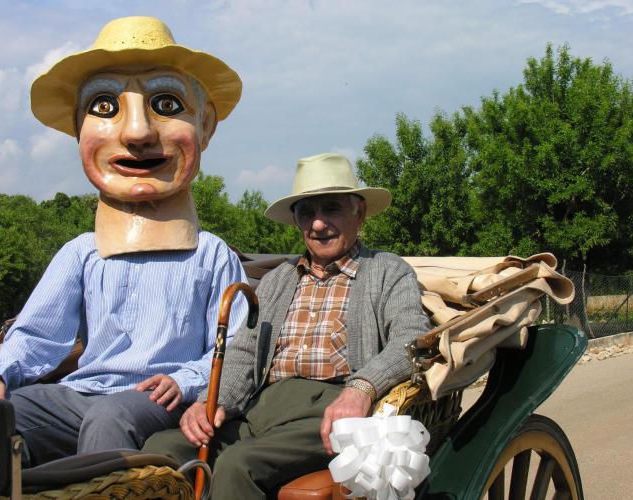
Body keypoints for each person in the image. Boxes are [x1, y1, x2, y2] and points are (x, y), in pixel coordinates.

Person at [0, 16, 248, 467]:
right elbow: (39, 333)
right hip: (84, 392)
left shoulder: (211, 254)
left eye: (167, 104)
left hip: (154, 397)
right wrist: (0, 374)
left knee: (110, 416)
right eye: (103, 106)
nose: (137, 133)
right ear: (79, 128)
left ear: (205, 125)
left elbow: (233, 346)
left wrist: (187, 381)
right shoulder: (82, 252)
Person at [143, 152, 432, 499]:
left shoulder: (387, 271)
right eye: (306, 213)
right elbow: (245, 351)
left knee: (237, 465)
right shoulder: (279, 278)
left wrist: (362, 389)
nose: (318, 224)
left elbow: (413, 337)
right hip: (261, 408)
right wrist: (212, 402)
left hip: (328, 409)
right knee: (161, 448)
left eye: (331, 209)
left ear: (359, 213)